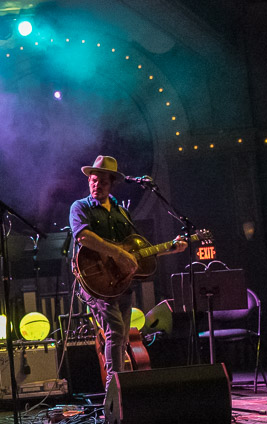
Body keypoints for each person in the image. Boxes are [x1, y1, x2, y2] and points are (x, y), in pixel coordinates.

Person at [69, 155, 186, 384]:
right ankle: (116, 387)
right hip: (96, 281)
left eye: (102, 181)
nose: (96, 185)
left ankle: (119, 386)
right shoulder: (80, 207)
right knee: (114, 330)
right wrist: (117, 253)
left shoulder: (122, 212)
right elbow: (83, 236)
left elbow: (135, 250)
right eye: (93, 180)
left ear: (112, 183)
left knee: (121, 336)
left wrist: (170, 249)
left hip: (121, 282)